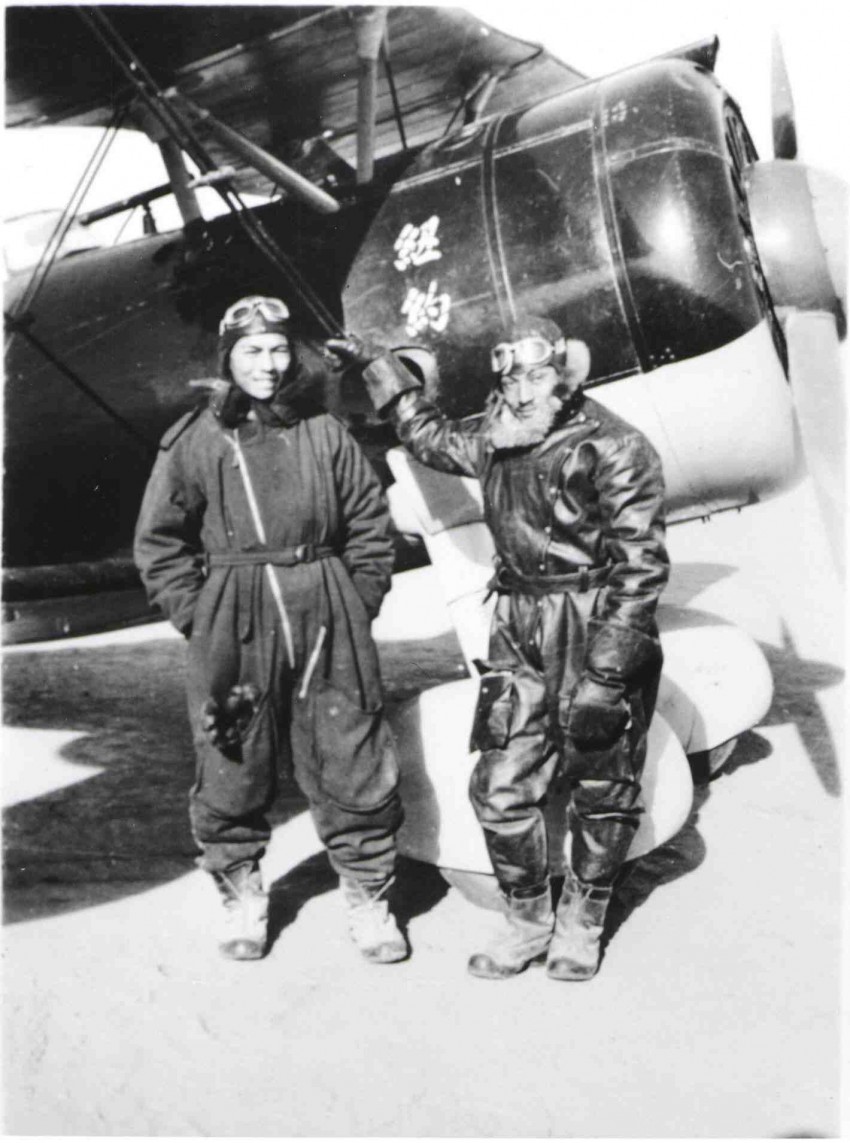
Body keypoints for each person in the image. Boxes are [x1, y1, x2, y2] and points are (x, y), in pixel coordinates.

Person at [328, 316, 669, 981]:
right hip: (516, 625)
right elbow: (427, 434)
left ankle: (581, 925)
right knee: (499, 783)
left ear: (565, 376)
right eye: (510, 379)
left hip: (594, 622)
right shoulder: (496, 436)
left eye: (536, 376)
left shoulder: (616, 445)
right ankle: (527, 921)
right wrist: (379, 366)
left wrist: (607, 674)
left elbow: (641, 569)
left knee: (603, 784)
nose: (521, 391)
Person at [134, 295, 407, 965]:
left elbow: (369, 522)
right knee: (232, 758)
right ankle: (242, 895)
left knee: (351, 754)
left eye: (280, 349)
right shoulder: (196, 439)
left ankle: (369, 898)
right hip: (236, 615)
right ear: (227, 359)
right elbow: (159, 542)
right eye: (252, 351)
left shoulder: (323, 431)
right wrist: (200, 616)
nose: (269, 364)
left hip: (326, 604)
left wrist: (357, 599)